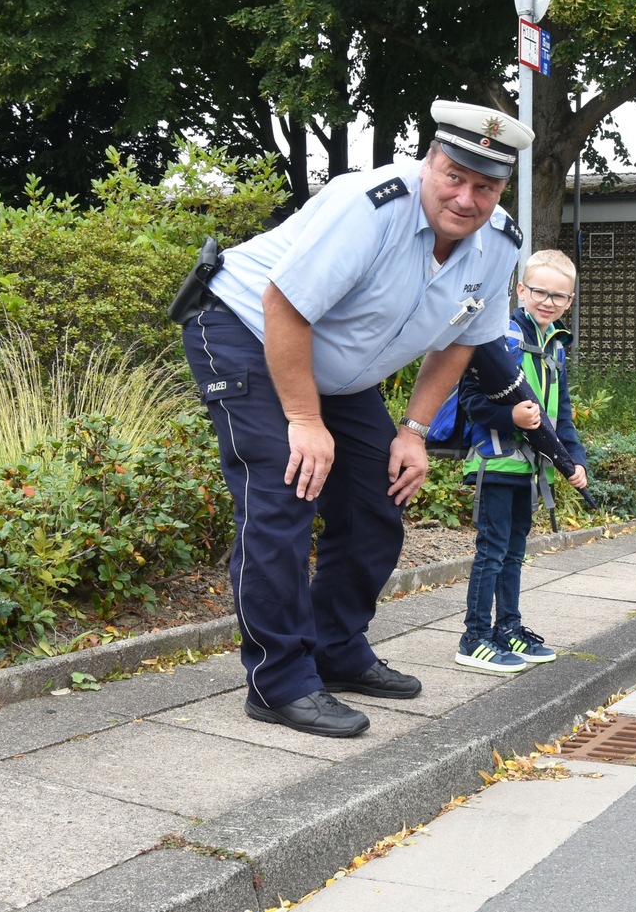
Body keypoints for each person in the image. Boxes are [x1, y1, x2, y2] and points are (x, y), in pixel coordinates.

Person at [178, 100, 534, 737]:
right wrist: (302, 420)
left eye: (485, 185)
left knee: (376, 498)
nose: (466, 197)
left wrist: (414, 431)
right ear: (430, 162)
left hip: (339, 368)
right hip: (248, 328)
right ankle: (279, 679)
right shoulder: (369, 207)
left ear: (502, 188)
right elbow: (284, 307)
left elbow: (462, 341)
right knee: (287, 489)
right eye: (454, 175)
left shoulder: (500, 243)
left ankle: (336, 651)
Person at [454, 248, 588, 674]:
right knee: (491, 552)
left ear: (569, 302)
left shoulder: (556, 347)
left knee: (513, 553)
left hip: (532, 469)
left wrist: (575, 458)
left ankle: (508, 629)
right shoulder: (501, 336)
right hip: (496, 464)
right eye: (539, 292)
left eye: (559, 296)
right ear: (520, 290)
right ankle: (475, 637)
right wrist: (508, 416)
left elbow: (560, 414)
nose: (548, 301)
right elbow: (470, 401)